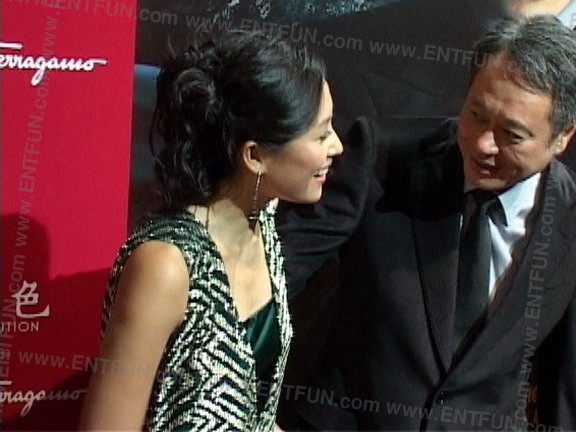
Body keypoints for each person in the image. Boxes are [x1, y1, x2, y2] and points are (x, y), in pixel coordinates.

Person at [277, 15, 576, 430]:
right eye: (476, 114)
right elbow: (273, 276)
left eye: (512, 135)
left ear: (562, 137)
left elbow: (566, 391)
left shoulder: (569, 221)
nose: (483, 144)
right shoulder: (380, 159)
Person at [79, 29, 343, 431]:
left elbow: (254, 418)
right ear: (255, 156)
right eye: (321, 134)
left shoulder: (264, 229)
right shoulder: (166, 266)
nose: (337, 147)